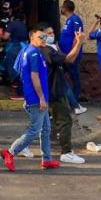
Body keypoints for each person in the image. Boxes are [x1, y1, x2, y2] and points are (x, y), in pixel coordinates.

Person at [0, 28, 60, 172]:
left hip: (34, 96)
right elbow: (34, 76)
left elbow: (18, 69)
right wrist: (41, 98)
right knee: (35, 130)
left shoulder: (26, 50)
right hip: (36, 98)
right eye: (40, 37)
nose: (44, 39)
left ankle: (47, 159)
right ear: (32, 38)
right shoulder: (33, 53)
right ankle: (11, 152)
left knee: (46, 129)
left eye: (44, 36)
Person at [39, 22, 86, 164]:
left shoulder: (50, 48)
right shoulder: (47, 50)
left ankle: (20, 148)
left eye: (53, 32)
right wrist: (79, 43)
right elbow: (69, 59)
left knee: (41, 124)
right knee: (65, 120)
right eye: (48, 33)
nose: (52, 35)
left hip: (52, 89)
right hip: (54, 91)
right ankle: (66, 152)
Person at [59, 0, 87, 115]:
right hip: (65, 56)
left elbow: (77, 38)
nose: (61, 9)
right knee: (61, 78)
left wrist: (72, 53)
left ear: (65, 8)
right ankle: (71, 102)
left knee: (74, 78)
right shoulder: (68, 20)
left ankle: (75, 104)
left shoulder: (75, 20)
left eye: (62, 7)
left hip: (72, 56)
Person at [2, 13, 29, 100]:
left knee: (12, 68)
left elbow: (6, 37)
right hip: (24, 47)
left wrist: (0, 35)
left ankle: (18, 91)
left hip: (15, 48)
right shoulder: (24, 25)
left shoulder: (12, 24)